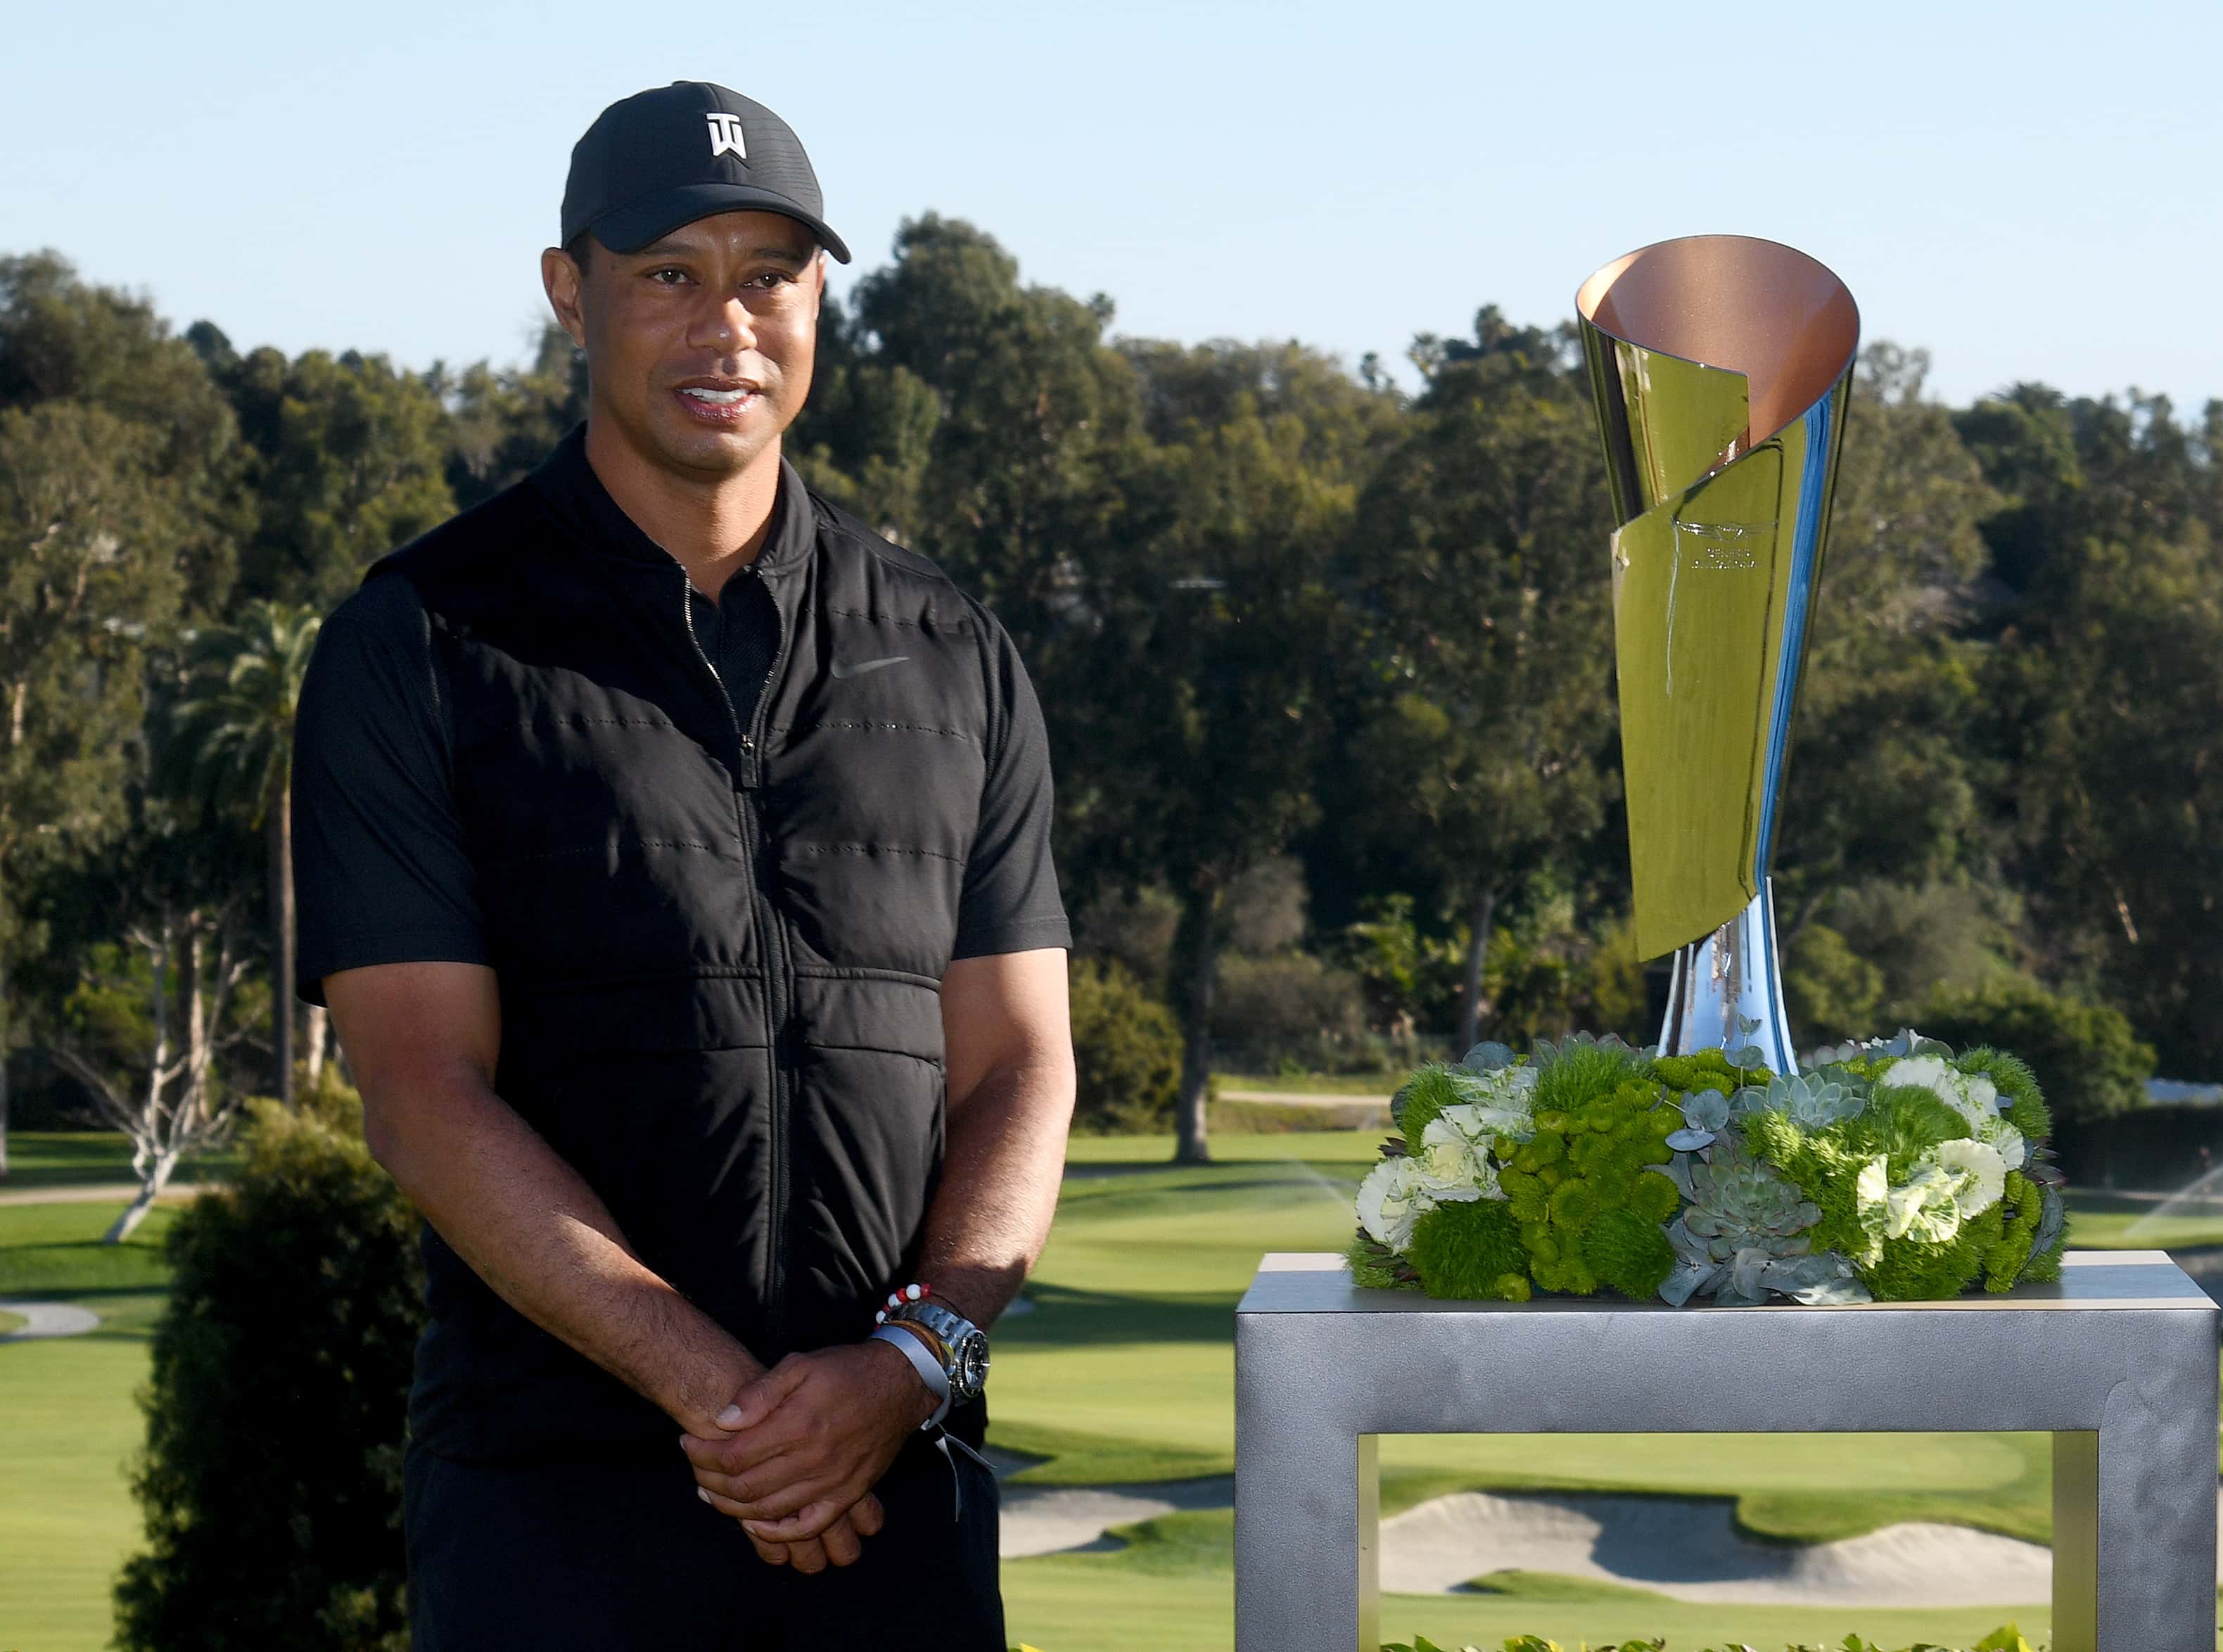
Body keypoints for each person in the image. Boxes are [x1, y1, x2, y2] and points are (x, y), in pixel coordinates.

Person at [292, 80, 1076, 1650]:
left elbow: (1020, 1062)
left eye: (769, 276)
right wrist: (738, 1411)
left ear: (817, 302)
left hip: (898, 1506)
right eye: (669, 273)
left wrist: (907, 1364)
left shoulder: (954, 650)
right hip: (553, 1530)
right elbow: (422, 1090)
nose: (729, 325)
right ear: (568, 292)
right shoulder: (421, 640)